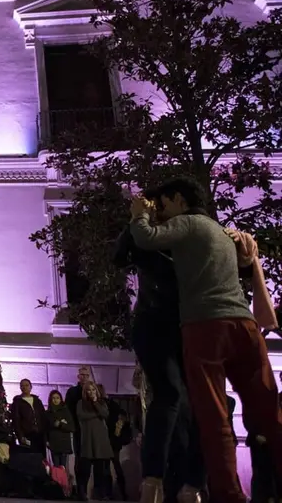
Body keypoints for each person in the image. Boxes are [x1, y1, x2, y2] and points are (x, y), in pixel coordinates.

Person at [129, 175, 282, 503]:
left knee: (213, 417)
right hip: (245, 325)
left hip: (205, 327)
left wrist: (139, 212)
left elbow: (145, 237)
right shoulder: (223, 233)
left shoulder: (188, 223)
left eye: (166, 203)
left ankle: (228, 494)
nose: (164, 210)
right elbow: (243, 263)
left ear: (180, 200)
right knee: (269, 411)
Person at [114, 191, 206, 503]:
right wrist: (135, 220)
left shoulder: (183, 237)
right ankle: (154, 480)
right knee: (170, 395)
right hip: (154, 325)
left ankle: (185, 483)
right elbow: (120, 256)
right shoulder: (146, 240)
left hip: (183, 327)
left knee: (186, 406)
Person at [75, 381, 113, 501]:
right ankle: (82, 493)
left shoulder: (101, 402)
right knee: (84, 470)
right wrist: (96, 414)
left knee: (100, 471)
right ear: (85, 392)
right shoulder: (81, 403)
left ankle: (100, 494)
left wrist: (96, 403)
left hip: (100, 439)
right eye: (88, 390)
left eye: (93, 390)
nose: (91, 392)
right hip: (88, 439)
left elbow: (105, 414)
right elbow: (81, 416)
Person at [45, 389, 74, 468]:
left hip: (64, 443)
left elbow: (72, 427)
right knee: (56, 467)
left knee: (63, 466)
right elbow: (45, 428)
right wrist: (46, 440)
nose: (55, 400)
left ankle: (63, 480)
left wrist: (61, 424)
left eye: (57, 398)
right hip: (53, 443)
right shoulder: (47, 413)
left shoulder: (65, 411)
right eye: (53, 398)